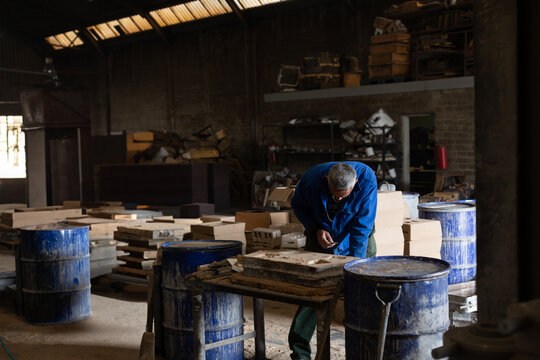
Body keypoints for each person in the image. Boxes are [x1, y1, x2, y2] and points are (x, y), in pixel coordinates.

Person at [288, 161, 378, 360]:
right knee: (313, 291)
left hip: (356, 239)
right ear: (326, 180)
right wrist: (314, 229)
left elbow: (361, 228)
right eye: (334, 193)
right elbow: (299, 206)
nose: (338, 198)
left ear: (355, 182)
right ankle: (300, 351)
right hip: (321, 234)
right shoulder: (311, 179)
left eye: (342, 195)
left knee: (365, 289)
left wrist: (355, 266)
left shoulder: (367, 180)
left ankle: (369, 348)